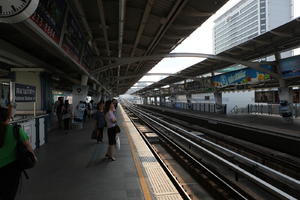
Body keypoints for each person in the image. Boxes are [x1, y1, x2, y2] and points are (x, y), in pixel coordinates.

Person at [0, 106, 36, 200]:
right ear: (8, 117)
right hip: (12, 170)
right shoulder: (15, 130)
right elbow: (28, 146)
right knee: (9, 195)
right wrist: (34, 158)